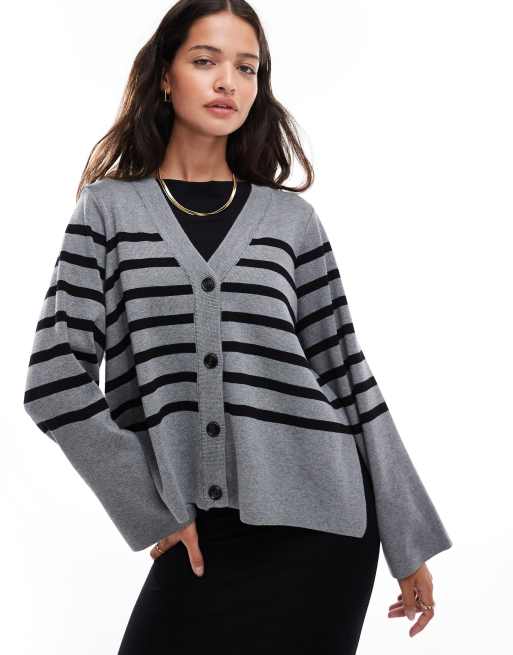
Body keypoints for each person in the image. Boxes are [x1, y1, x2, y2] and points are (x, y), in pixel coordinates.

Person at [22, 1, 452, 653]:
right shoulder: (107, 211)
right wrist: (151, 512)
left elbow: (347, 376)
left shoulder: (291, 221)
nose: (228, 81)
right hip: (194, 528)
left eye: (246, 68)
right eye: (205, 61)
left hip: (323, 526)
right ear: (165, 76)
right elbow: (53, 382)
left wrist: (408, 541)